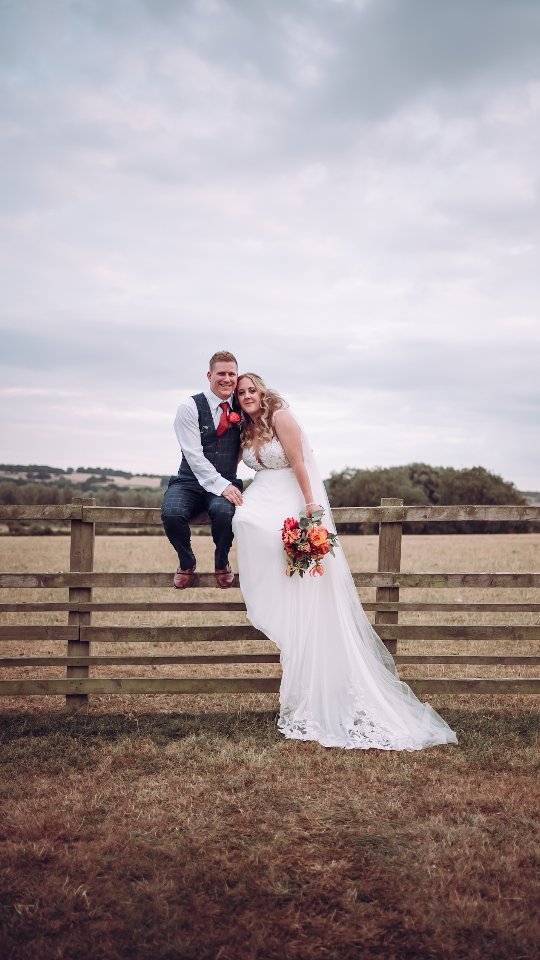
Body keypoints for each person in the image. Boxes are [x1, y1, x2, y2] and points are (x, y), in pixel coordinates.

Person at [232, 373, 458, 751]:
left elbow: (300, 463)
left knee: (309, 590)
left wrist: (310, 506)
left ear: (263, 392)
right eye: (241, 393)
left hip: (290, 500)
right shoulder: (246, 429)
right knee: (246, 524)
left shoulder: (281, 417)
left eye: (251, 390)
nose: (247, 396)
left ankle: (330, 690)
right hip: (261, 501)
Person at [161, 351, 244, 589]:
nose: (227, 379)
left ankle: (222, 562)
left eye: (232, 374)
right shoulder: (189, 407)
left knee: (224, 513)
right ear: (209, 375)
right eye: (221, 373)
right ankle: (186, 561)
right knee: (172, 513)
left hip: (225, 481)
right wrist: (223, 486)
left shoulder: (242, 407)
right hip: (188, 481)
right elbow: (194, 456)